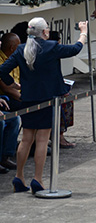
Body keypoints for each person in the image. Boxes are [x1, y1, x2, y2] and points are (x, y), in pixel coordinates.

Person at [0, 17, 87, 193]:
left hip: (28, 99)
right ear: (44, 32)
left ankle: (19, 176)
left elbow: (2, 70)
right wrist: (83, 33)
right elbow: (76, 48)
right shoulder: (51, 47)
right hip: (47, 100)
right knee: (41, 141)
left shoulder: (22, 49)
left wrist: (13, 84)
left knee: (26, 139)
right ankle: (37, 179)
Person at [0, 33, 21, 172]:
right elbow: (6, 88)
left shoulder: (16, 58)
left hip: (4, 100)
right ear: (13, 47)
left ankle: (5, 157)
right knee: (1, 121)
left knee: (15, 119)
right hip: (9, 96)